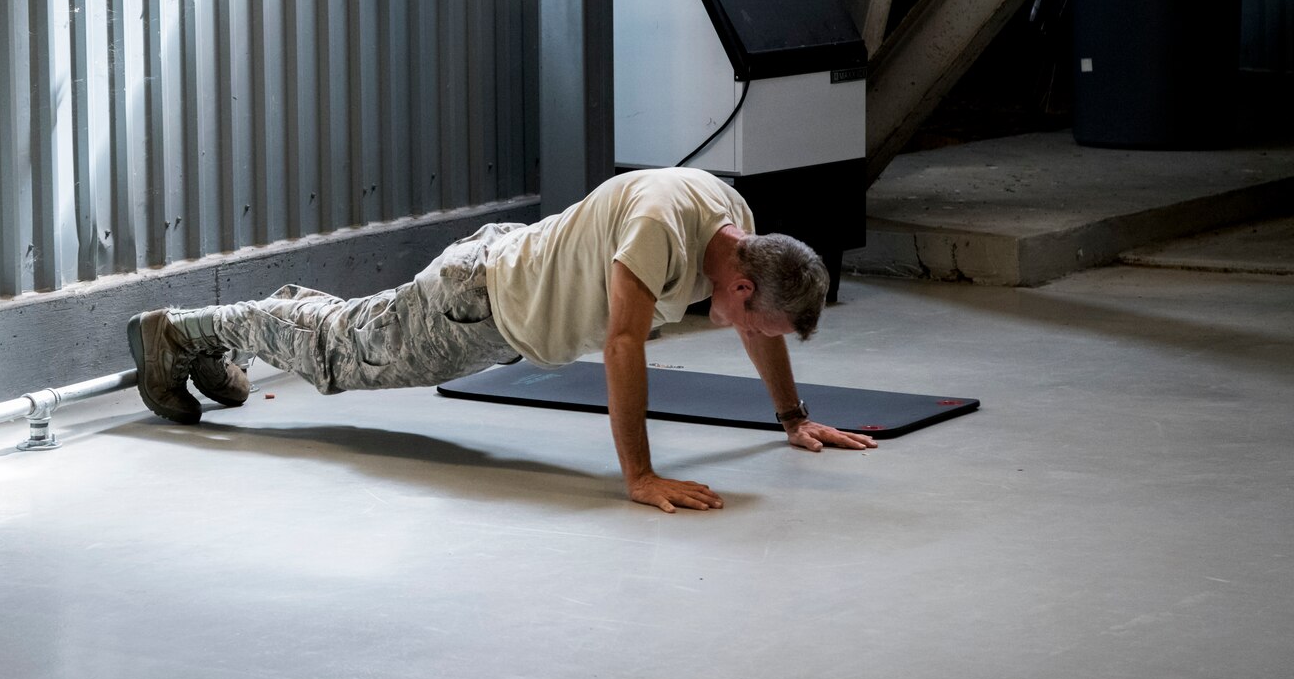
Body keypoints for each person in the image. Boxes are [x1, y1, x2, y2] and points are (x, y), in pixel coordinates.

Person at [126, 166, 878, 512]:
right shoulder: (662, 227)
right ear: (742, 285)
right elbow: (622, 344)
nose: (752, 334)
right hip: (478, 304)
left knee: (347, 333)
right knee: (335, 352)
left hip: (506, 284)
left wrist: (791, 417)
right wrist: (640, 477)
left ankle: (231, 332)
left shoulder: (733, 223)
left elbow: (758, 332)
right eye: (756, 322)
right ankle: (179, 332)